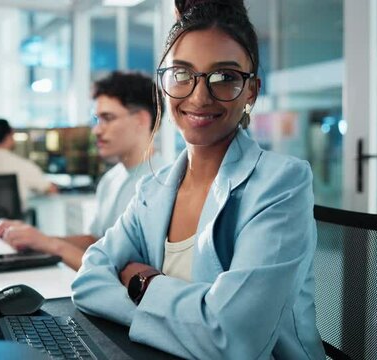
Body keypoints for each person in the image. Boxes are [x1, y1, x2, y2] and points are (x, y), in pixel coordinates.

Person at [70, 1, 325, 359]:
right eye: (183, 74)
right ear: (165, 83)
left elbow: (232, 338)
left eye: (225, 77)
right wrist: (192, 318)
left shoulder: (281, 184)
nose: (199, 96)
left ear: (251, 90)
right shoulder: (154, 188)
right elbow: (87, 281)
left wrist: (144, 283)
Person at [0, 71, 168, 271]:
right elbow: (97, 241)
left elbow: (126, 272)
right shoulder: (112, 178)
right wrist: (35, 238)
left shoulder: (161, 185)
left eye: (107, 118)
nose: (96, 130)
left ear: (141, 120)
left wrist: (52, 245)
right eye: (97, 119)